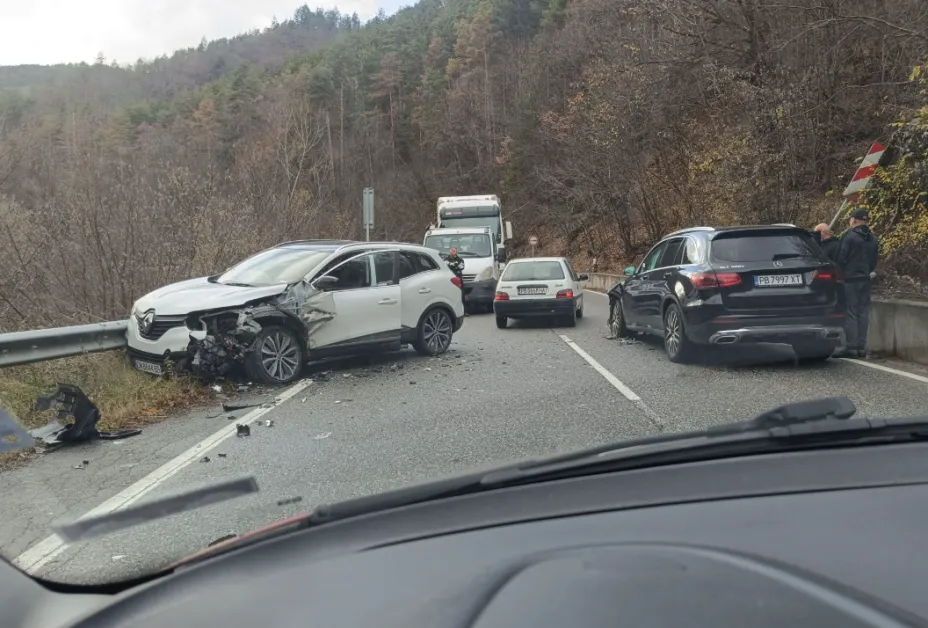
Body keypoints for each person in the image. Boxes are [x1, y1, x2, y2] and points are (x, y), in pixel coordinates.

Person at [834, 208, 879, 358]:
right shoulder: (873, 238)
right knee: (863, 312)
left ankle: (851, 347)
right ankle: (861, 347)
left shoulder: (850, 236)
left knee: (851, 312)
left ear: (853, 220)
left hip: (851, 279)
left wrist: (840, 273)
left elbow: (841, 258)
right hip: (865, 279)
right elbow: (873, 261)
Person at [446, 247, 467, 313]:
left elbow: (461, 267)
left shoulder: (460, 259)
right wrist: (455, 265)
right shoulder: (446, 259)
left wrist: (452, 266)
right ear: (450, 251)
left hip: (458, 279)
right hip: (449, 279)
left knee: (461, 295)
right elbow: (446, 266)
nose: (453, 252)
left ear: (456, 252)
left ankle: (464, 311)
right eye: (452, 251)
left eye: (455, 251)